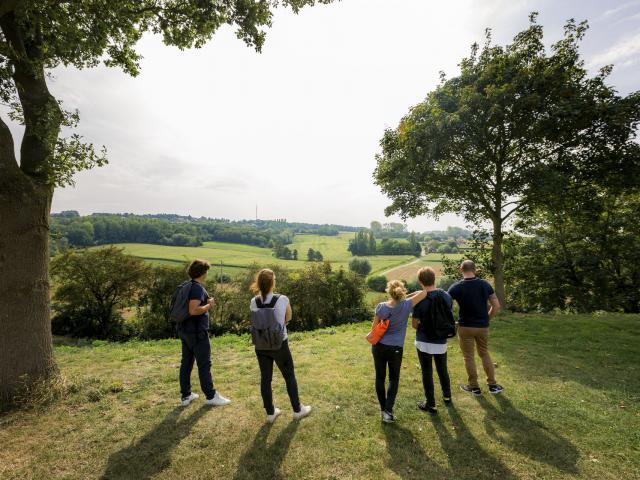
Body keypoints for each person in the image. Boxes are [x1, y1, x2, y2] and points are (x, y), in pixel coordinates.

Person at [250, 268, 312, 423]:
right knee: (289, 375)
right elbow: (288, 316)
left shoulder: (253, 301)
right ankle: (297, 409)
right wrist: (281, 324)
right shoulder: (282, 299)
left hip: (261, 345)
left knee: (266, 378)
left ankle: (270, 413)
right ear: (272, 283)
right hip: (279, 344)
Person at [371, 280, 427, 423]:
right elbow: (423, 293)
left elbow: (373, 329)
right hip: (395, 348)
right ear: (402, 291)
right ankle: (388, 411)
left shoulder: (381, 307)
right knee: (393, 379)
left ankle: (383, 409)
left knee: (380, 378)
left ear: (388, 292)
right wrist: (406, 296)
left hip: (379, 347)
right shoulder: (406, 304)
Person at [178, 259, 231, 407]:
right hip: (197, 332)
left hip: (185, 330)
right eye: (206, 271)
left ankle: (186, 395)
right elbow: (193, 310)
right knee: (204, 364)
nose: (207, 273)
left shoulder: (186, 286)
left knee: (186, 363)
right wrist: (209, 305)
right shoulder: (197, 288)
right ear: (203, 273)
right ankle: (211, 395)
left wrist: (206, 302)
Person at [448, 260, 503, 396]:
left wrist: (450, 320)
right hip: (482, 326)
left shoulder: (456, 287)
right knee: (484, 353)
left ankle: (474, 387)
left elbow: (444, 304)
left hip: (465, 327)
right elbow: (496, 306)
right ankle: (492, 385)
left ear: (461, 270)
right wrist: (487, 319)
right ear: (475, 269)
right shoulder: (485, 285)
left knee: (468, 357)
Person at [412, 267, 453, 415]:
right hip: (441, 339)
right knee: (443, 369)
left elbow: (414, 324)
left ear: (420, 281)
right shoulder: (446, 296)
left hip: (424, 340)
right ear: (434, 278)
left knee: (427, 371)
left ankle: (431, 405)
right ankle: (447, 397)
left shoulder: (419, 299)